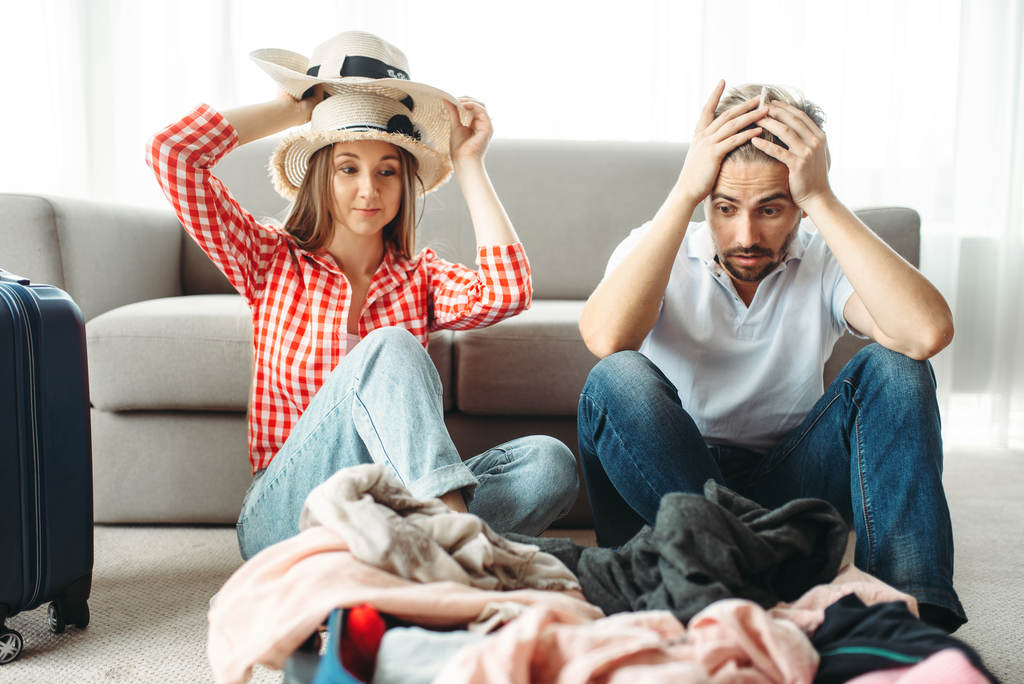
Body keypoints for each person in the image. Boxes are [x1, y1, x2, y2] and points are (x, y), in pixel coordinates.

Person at [146, 31, 578, 561]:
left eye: (386, 172)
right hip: (290, 513)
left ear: (404, 183)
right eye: (348, 168)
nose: (369, 190)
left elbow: (507, 291)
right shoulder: (267, 257)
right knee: (390, 345)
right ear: (321, 175)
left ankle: (403, 556)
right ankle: (453, 542)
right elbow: (172, 154)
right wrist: (296, 109)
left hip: (392, 503)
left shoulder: (419, 277)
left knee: (547, 463)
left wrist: (468, 161)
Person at [576, 81, 965, 632]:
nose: (746, 235)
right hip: (673, 488)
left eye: (771, 208)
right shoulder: (658, 243)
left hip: (790, 490)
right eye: (725, 207)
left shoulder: (823, 254)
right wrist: (684, 191)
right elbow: (605, 338)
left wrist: (823, 198)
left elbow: (924, 334)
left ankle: (907, 619)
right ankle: (769, 573)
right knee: (616, 375)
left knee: (897, 366)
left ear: (799, 205)